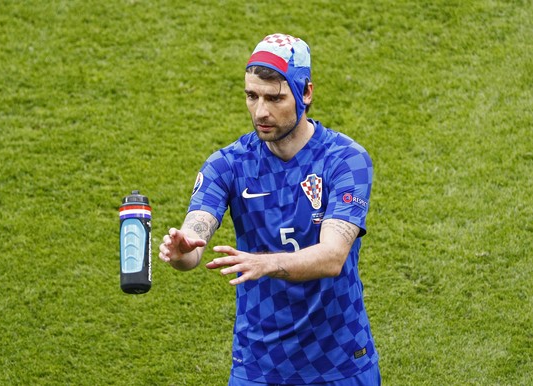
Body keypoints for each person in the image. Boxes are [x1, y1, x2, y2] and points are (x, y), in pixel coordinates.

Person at [159, 33, 380, 385]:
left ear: (305, 93)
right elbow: (194, 241)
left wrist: (266, 262)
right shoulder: (227, 165)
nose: (261, 111)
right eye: (252, 96)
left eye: (275, 98)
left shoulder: (345, 160)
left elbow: (333, 257)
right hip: (258, 368)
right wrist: (181, 250)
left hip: (339, 364)